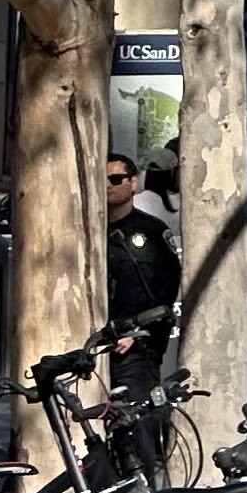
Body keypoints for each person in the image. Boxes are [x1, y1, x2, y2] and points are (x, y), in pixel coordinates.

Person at [103, 152, 181, 392]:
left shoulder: (153, 231)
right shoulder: (85, 230)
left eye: (116, 179)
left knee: (138, 421)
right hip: (93, 346)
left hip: (137, 347)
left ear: (133, 183)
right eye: (102, 179)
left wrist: (138, 334)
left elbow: (167, 287)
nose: (108, 186)